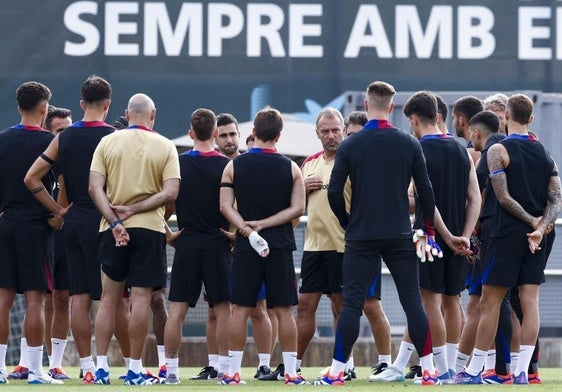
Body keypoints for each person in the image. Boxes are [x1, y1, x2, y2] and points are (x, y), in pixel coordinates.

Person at [316, 81, 439, 386]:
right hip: (399, 232)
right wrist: (427, 228)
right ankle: (430, 371)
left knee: (352, 303)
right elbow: (425, 190)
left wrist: (347, 221)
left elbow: (334, 190)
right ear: (392, 107)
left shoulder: (349, 145)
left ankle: (336, 371)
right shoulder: (409, 143)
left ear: (367, 105)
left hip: (361, 234)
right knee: (413, 302)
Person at [453, 94, 561, 384]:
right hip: (537, 237)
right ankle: (523, 371)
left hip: (505, 234)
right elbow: (557, 198)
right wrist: (540, 226)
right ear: (532, 118)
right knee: (530, 302)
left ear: (507, 117)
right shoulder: (545, 153)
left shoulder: (497, 149)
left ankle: (474, 371)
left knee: (490, 302)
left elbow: (502, 197)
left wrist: (530, 222)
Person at [24, 75, 115, 384]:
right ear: (108, 104)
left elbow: (32, 178)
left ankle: (88, 365)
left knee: (77, 296)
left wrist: (59, 210)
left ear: (80, 104)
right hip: (106, 221)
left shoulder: (65, 138)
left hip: (74, 223)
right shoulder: (115, 137)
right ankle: (125, 366)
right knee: (119, 298)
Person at [88, 93, 180, 385]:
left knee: (108, 299)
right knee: (141, 299)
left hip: (111, 229)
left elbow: (94, 188)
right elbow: (171, 193)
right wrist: (136, 208)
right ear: (153, 115)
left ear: (127, 113)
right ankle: (135, 370)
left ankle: (100, 368)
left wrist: (116, 221)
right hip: (150, 229)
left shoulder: (107, 141)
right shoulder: (165, 145)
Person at [219, 106, 306, 385]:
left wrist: (246, 227)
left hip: (246, 247)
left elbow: (224, 206)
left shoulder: (233, 165)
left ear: (253, 133)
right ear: (279, 136)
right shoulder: (292, 167)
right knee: (283, 311)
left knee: (240, 309)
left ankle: (233, 372)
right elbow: (298, 208)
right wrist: (266, 224)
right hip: (280, 245)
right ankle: (291, 372)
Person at [200, 112, 278, 382]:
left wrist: (245, 235)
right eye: (223, 135)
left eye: (233, 134)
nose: (230, 139)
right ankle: (216, 366)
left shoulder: (250, 165)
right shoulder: (211, 168)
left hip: (251, 247)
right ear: (214, 137)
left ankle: (264, 365)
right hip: (221, 247)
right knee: (216, 310)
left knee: (258, 308)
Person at [0, 81, 63, 385]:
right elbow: (63, 184)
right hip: (36, 227)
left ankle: (0, 368)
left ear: (18, 107)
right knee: (36, 301)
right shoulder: (50, 142)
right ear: (44, 109)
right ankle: (36, 371)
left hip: (6, 224)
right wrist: (58, 213)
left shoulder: (2, 139)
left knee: (3, 299)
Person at [162, 109, 232, 384]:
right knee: (224, 309)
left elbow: (162, 203)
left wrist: (168, 232)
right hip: (217, 242)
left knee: (177, 311)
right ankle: (226, 370)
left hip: (187, 242)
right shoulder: (227, 165)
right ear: (215, 133)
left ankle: (172, 371)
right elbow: (234, 206)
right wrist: (235, 234)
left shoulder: (177, 164)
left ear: (191, 133)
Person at [111, 114, 170, 381]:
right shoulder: (111, 147)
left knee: (151, 300)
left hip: (139, 229)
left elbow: (170, 196)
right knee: (117, 301)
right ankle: (126, 366)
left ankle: (163, 362)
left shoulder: (158, 149)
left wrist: (164, 225)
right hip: (116, 231)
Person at [43, 106, 72, 380]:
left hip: (68, 238)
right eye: (60, 131)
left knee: (62, 297)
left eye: (68, 130)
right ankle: (29, 361)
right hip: (41, 236)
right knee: (41, 298)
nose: (65, 137)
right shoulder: (38, 163)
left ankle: (56, 363)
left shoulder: (77, 162)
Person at [452, 96, 484, 163]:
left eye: (453, 118)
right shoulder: (489, 148)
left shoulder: (469, 154)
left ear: (461, 120)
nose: (453, 123)